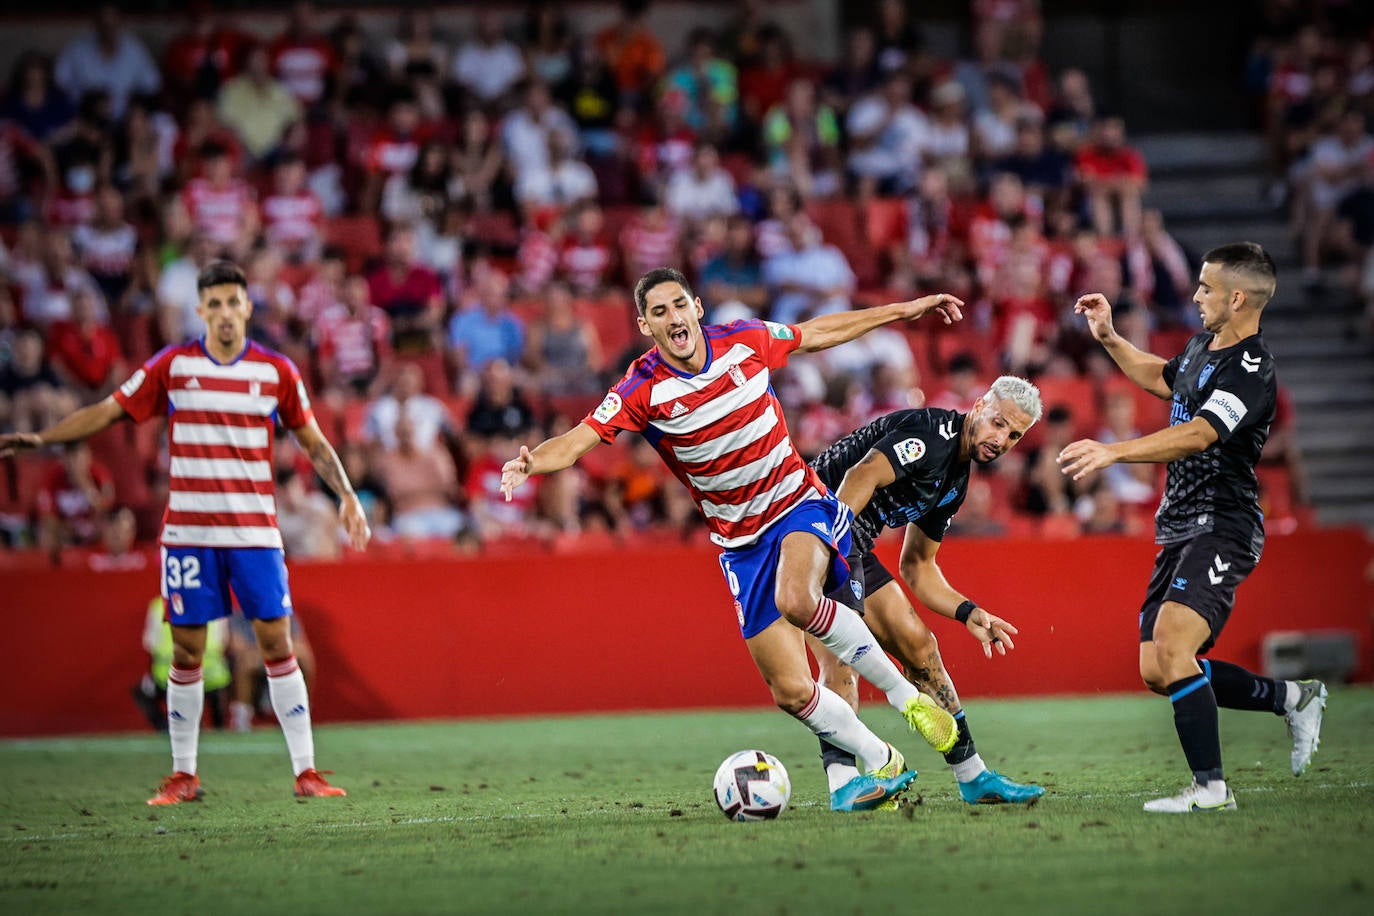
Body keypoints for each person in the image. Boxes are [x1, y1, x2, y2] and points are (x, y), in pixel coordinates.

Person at [500, 267, 966, 811]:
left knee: (797, 600)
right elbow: (578, 441)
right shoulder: (641, 388)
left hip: (798, 504)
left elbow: (818, 332)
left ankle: (904, 696)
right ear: (645, 325)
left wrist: (902, 309)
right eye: (659, 312)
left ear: (697, 307)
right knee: (790, 691)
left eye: (679, 305)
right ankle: (880, 759)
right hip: (740, 545)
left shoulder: (745, 341)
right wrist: (532, 462)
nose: (673, 318)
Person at [0, 260, 371, 805]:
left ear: (248, 307)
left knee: (277, 643)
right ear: (201, 310)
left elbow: (313, 442)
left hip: (254, 534)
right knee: (188, 652)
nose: (224, 312)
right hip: (190, 534)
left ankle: (306, 771)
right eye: (214, 303)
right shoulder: (172, 366)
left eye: (232, 302)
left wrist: (348, 497)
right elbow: (109, 410)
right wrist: (41, 438)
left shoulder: (276, 372)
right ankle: (183, 774)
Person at [1058, 243, 1327, 813]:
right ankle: (1292, 699)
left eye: (1205, 287)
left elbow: (1202, 432)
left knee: (1176, 646)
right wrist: (1108, 337)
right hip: (1178, 525)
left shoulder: (1253, 370)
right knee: (1157, 667)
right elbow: (1163, 377)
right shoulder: (1203, 345)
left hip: (1222, 524)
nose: (1196, 294)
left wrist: (1114, 453)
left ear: (1237, 297)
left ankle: (1211, 790)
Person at [806, 377, 1047, 808]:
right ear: (978, 406)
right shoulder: (932, 438)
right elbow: (862, 474)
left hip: (850, 538)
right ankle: (843, 783)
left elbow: (917, 566)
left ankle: (974, 777)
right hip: (811, 524)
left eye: (1014, 435)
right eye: (997, 423)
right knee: (840, 651)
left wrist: (967, 611)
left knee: (920, 647)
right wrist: (826, 548)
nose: (1001, 439)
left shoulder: (955, 479)